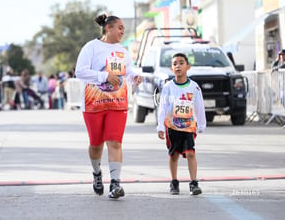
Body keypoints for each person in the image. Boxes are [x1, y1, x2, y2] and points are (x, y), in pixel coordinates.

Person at [75, 13, 141, 199]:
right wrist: (103, 76)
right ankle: (97, 174)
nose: (122, 31)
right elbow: (80, 71)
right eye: (119, 28)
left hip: (117, 103)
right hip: (93, 103)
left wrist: (134, 77)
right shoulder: (91, 47)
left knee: (115, 142)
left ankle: (115, 183)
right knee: (96, 144)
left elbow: (127, 72)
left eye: (123, 29)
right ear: (108, 28)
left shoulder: (123, 50)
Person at [156, 53, 206, 196]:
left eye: (181, 63)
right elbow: (163, 107)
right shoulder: (168, 87)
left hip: (189, 126)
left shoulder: (194, 87)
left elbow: (199, 106)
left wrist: (201, 124)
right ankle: (174, 182)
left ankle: (194, 183)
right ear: (172, 69)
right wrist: (160, 126)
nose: (178, 66)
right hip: (172, 126)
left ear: (188, 67)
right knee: (174, 155)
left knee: (191, 153)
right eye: (175, 64)